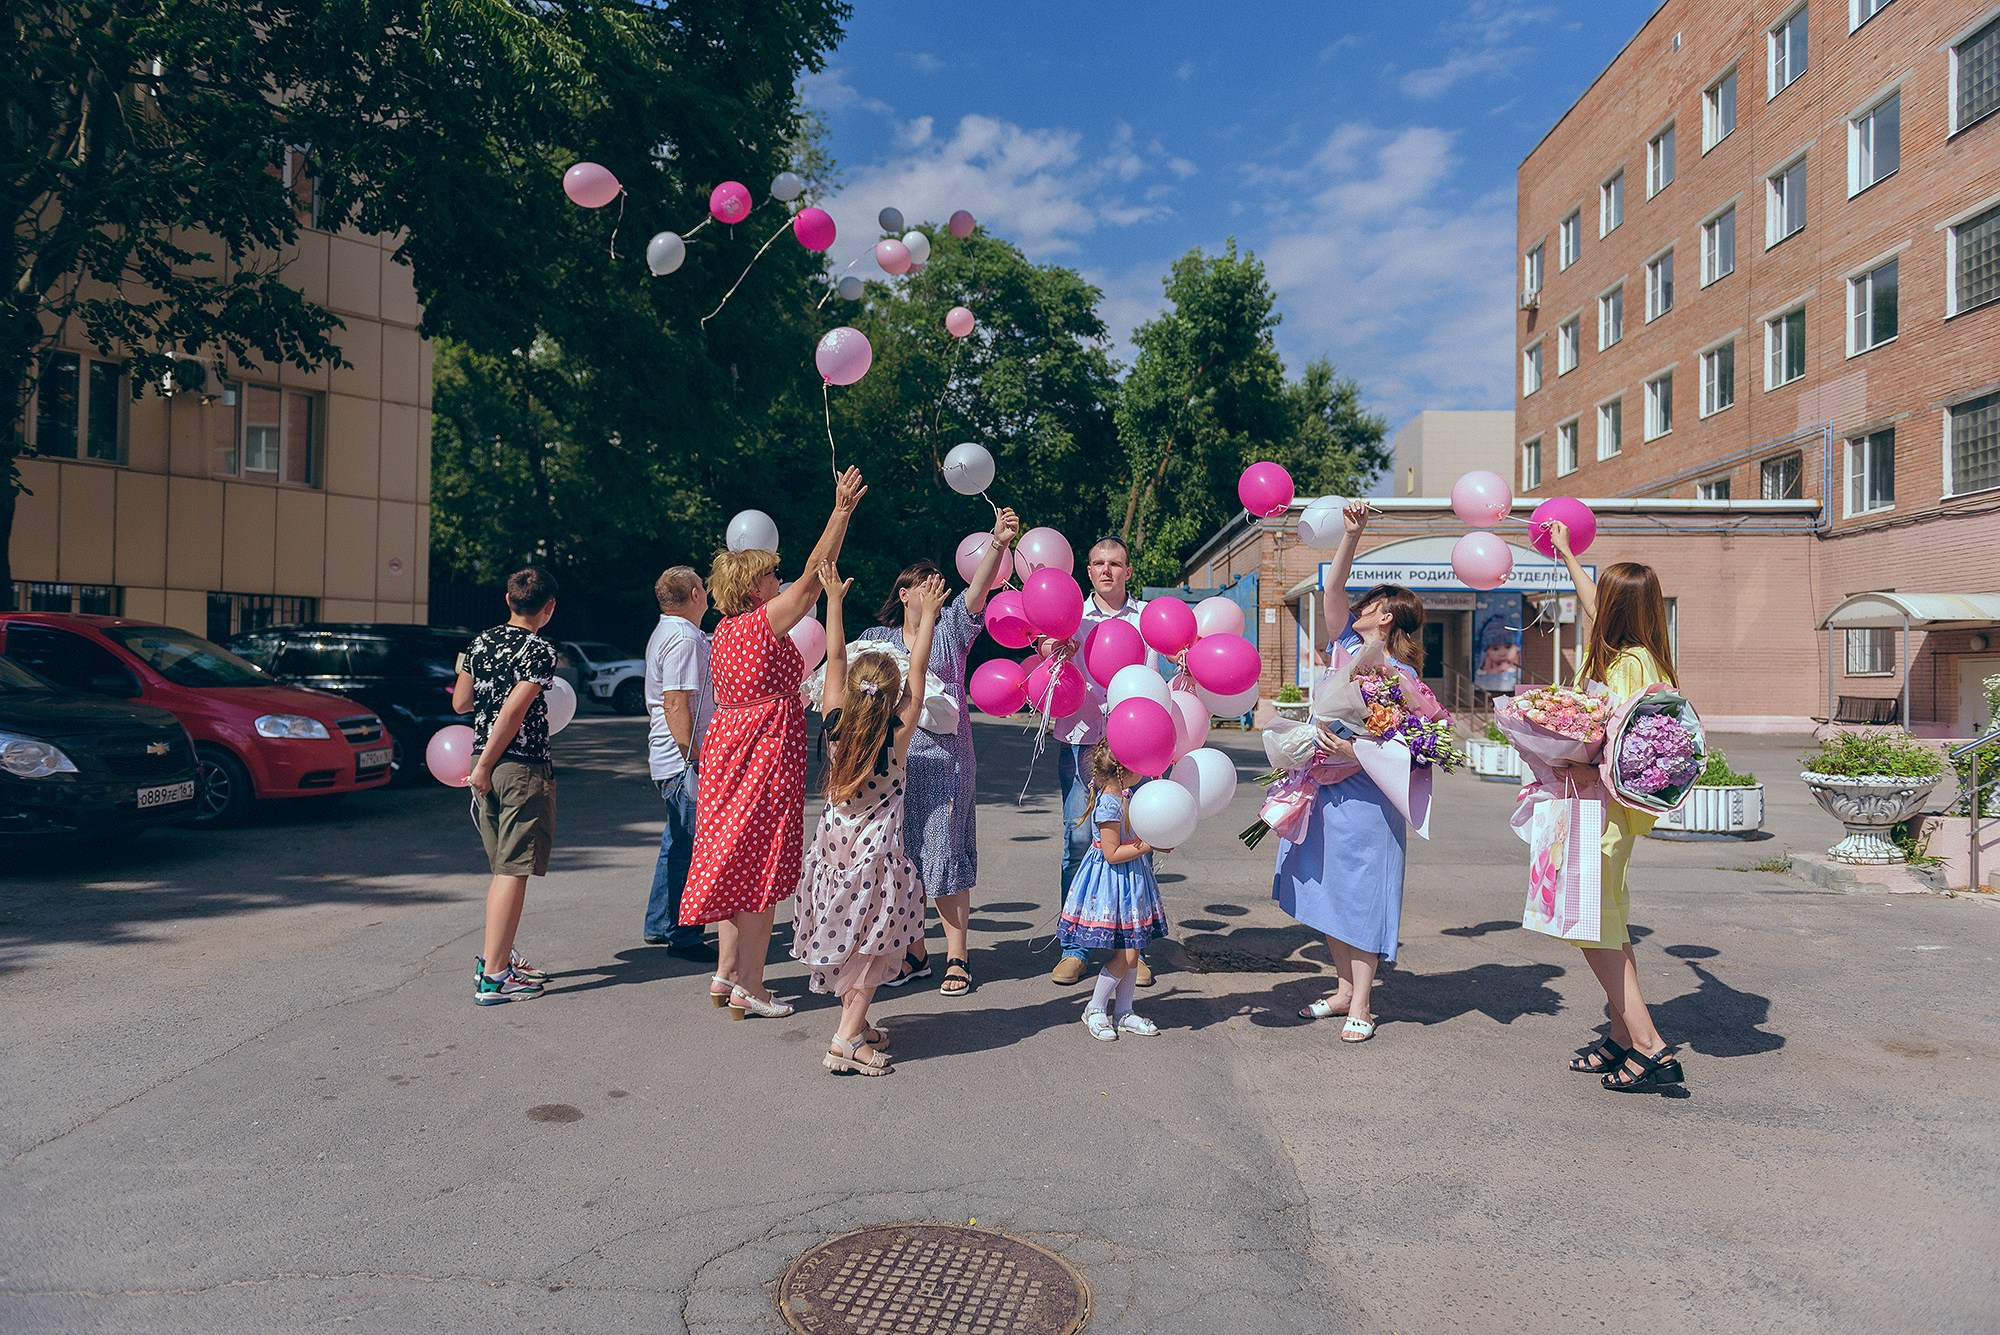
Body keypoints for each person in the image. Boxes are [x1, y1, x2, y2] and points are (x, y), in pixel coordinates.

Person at [681, 466, 867, 1018]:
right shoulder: (761, 624)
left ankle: (725, 976)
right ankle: (753, 987)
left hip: (729, 745)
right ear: (754, 586)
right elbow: (814, 576)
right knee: (760, 865)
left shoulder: (722, 633)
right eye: (772, 575)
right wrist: (841, 511)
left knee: (733, 859)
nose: (779, 580)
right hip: (761, 748)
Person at [1546, 521, 1688, 1094]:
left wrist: (1576, 761)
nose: (1592, 603)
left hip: (1600, 809)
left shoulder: (1625, 666)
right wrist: (1567, 553)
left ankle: (1650, 1047)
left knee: (1594, 925)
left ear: (1615, 610)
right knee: (1606, 921)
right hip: (1612, 813)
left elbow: (1623, 746)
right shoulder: (1645, 655)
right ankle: (1621, 1036)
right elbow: (1591, 600)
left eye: (1601, 598)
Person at [1274, 503, 1422, 1043]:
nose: (1357, 607)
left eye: (1371, 604)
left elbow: (1410, 744)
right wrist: (1352, 536)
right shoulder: (1347, 648)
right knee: (1332, 889)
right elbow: (1332, 590)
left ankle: (1362, 1001)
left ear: (1387, 615)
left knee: (1362, 893)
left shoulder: (1400, 674)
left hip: (1365, 794)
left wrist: (1356, 753)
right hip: (1323, 788)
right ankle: (1341, 989)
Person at [792, 561, 947, 1075]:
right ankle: (844, 1041)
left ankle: (855, 1025)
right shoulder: (896, 737)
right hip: (876, 859)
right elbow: (920, 670)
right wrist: (927, 617)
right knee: (874, 946)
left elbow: (835, 655)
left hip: (834, 854)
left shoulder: (835, 724)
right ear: (892, 697)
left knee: (847, 939)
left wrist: (833, 598)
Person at [860, 506, 1021, 996]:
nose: (935, 584)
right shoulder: (877, 639)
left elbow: (977, 594)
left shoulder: (951, 626)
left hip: (947, 762)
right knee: (899, 858)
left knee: (945, 853)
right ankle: (914, 954)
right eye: (922, 581)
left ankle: (958, 956)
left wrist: (996, 543)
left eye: (938, 579)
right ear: (903, 593)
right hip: (891, 767)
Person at [1038, 536, 1154, 987]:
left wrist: (1182, 656)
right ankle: (1077, 946)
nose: (1107, 570)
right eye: (1099, 563)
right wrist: (1052, 652)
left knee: (1134, 841)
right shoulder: (1073, 618)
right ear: (1087, 571)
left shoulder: (1148, 619)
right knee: (1079, 840)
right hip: (1082, 741)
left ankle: (1132, 950)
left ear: (1128, 571)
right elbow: (1042, 657)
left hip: (1136, 744)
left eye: (1116, 563)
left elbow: (1167, 662)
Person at [452, 567, 561, 1006]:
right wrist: (486, 767)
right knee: (513, 871)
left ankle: (498, 959)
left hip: (484, 761)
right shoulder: (539, 649)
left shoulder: (479, 643)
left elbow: (461, 702)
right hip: (518, 767)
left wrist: (481, 766)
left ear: (508, 599)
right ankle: (495, 977)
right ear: (548, 608)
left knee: (502, 869)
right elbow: (514, 714)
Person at [1058, 741, 1170, 1041]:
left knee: (1130, 950)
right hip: (1114, 883)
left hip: (1131, 880)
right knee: (1128, 952)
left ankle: (1124, 1011)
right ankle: (1095, 1007)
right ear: (1123, 772)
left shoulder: (1124, 795)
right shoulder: (1109, 803)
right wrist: (1150, 844)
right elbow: (1111, 853)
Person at [640, 566, 715, 960]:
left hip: (670, 759)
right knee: (691, 848)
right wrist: (695, 756)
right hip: (682, 761)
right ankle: (684, 934)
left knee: (676, 843)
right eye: (702, 587)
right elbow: (675, 701)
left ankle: (660, 922)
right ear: (693, 594)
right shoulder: (684, 637)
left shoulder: (667, 632)